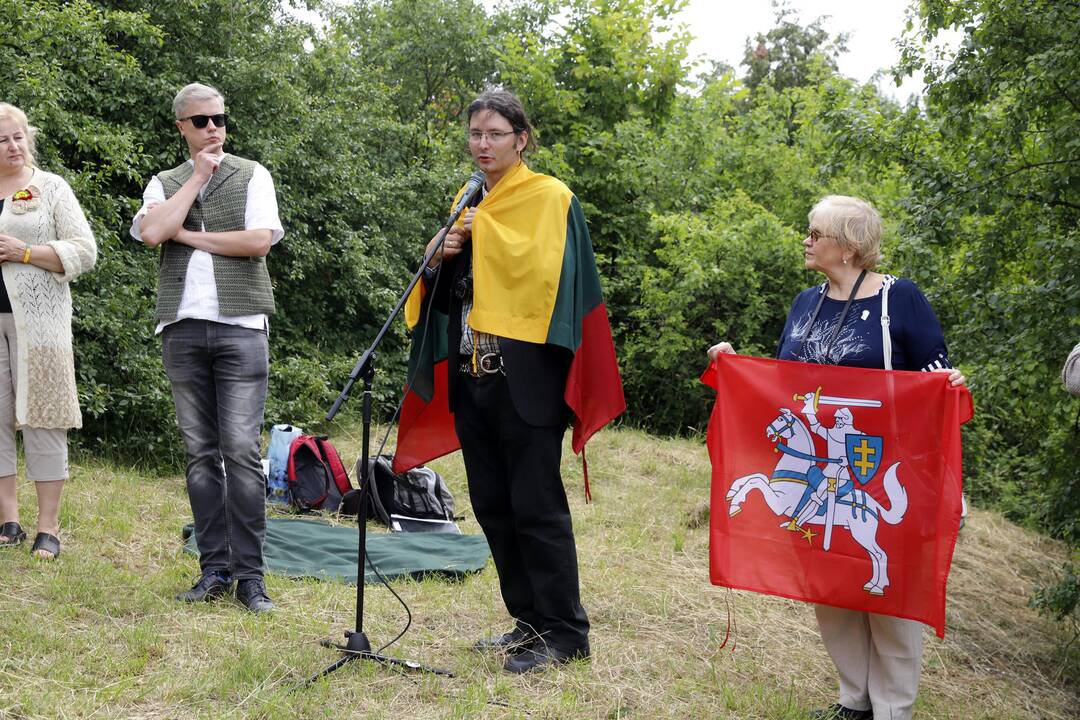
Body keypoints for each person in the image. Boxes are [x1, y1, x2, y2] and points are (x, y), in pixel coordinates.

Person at [708, 195, 967, 720]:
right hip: (815, 466)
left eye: (815, 232)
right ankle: (856, 699)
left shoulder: (901, 299)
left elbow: (936, 375)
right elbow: (783, 385)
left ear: (849, 246)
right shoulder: (806, 302)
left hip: (885, 465)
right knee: (831, 576)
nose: (805, 239)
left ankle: (893, 708)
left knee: (890, 589)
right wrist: (736, 369)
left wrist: (950, 382)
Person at [419, 89, 595, 673]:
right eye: (475, 134)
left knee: (536, 506)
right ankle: (527, 621)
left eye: (495, 134)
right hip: (472, 376)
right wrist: (441, 254)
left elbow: (547, 273)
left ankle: (566, 632)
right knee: (493, 505)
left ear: (521, 139)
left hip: (527, 379)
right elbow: (454, 290)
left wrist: (478, 234)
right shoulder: (468, 199)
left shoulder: (550, 198)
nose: (483, 144)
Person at [130, 83, 283, 613]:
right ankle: (213, 570)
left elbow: (257, 242)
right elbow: (153, 233)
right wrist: (196, 179)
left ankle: (251, 579)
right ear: (182, 127)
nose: (213, 127)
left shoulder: (252, 173)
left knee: (241, 453)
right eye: (201, 121)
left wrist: (190, 237)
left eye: (219, 117)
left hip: (242, 326)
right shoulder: (166, 181)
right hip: (182, 327)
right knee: (200, 455)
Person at [0, 103, 96, 560]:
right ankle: (8, 520)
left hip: (39, 327)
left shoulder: (51, 187)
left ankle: (48, 528)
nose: (12, 146)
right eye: (2, 139)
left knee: (43, 417)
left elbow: (85, 251)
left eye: (18, 136)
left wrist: (25, 252)